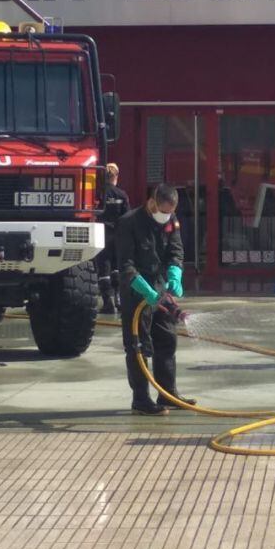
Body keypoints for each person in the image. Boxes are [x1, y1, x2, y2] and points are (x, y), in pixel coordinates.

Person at [116, 183, 196, 415]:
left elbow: (175, 250)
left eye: (170, 211)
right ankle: (141, 400)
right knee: (138, 346)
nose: (166, 216)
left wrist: (175, 273)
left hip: (161, 289)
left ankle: (168, 394)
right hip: (136, 291)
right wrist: (145, 291)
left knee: (167, 340)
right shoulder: (128, 223)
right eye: (163, 210)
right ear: (151, 202)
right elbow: (126, 265)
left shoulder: (171, 220)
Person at [96, 163, 130, 314]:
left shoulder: (99, 194)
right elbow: (127, 217)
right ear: (116, 176)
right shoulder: (122, 195)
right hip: (119, 234)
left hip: (102, 233)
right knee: (117, 267)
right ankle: (119, 300)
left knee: (104, 268)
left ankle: (107, 302)